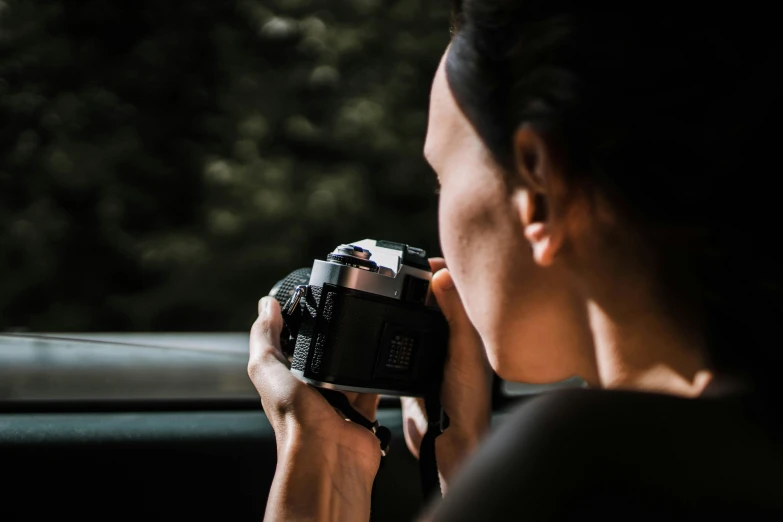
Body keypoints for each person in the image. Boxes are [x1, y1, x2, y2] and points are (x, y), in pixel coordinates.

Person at [247, 2, 783, 520]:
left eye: (443, 179)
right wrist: (471, 468)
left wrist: (324, 463)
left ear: (538, 187)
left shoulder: (576, 460)